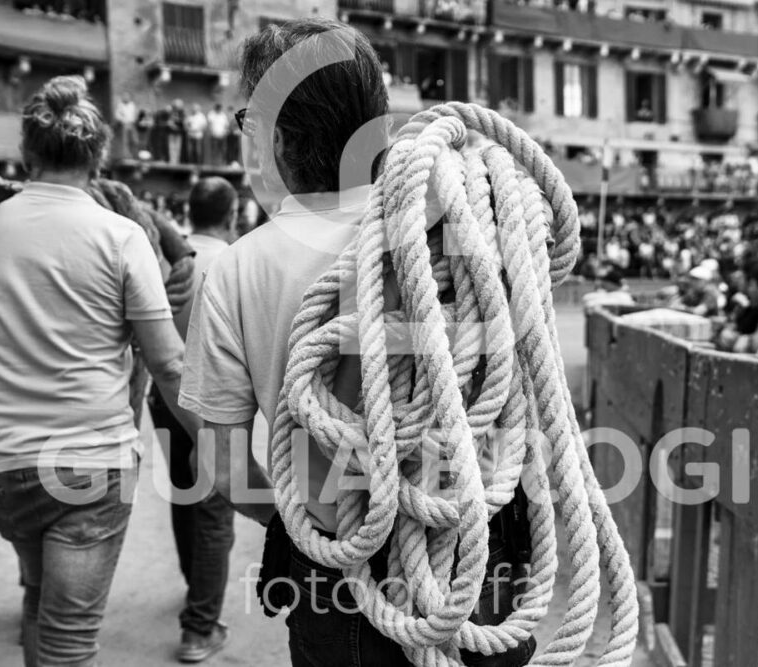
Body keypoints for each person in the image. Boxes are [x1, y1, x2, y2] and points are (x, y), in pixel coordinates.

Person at [179, 18, 535, 667]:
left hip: (337, 580)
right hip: (474, 556)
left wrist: (314, 529)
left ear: (275, 137)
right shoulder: (463, 230)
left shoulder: (237, 269)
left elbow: (224, 464)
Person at [0, 76, 199, 667]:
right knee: (71, 641)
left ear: (25, 153)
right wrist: (219, 444)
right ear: (99, 158)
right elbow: (167, 362)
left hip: (1, 462)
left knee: (39, 601)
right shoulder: (121, 236)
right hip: (88, 468)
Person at [150, 178, 238, 663]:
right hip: (210, 401)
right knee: (214, 510)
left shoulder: (168, 259)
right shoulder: (233, 261)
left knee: (185, 496)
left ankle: (196, 592)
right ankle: (200, 627)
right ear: (231, 215)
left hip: (164, 396)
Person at [114, 93, 139, 160]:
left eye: (127, 96)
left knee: (134, 140)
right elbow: (117, 115)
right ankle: (126, 156)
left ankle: (135, 155)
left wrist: (134, 120)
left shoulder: (132, 105)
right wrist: (123, 120)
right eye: (125, 96)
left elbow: (135, 114)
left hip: (132, 124)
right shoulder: (120, 105)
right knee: (125, 141)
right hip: (124, 125)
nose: (126, 98)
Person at [169, 99, 186, 165]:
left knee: (177, 147)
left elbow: (183, 122)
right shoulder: (171, 112)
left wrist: (177, 120)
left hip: (178, 132)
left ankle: (177, 161)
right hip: (171, 132)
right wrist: (171, 124)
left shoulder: (182, 113)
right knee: (171, 147)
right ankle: (172, 160)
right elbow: (169, 121)